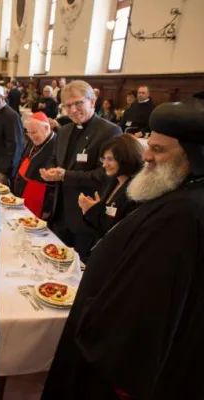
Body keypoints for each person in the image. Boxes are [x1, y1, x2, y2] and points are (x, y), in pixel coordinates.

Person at [43, 97, 204, 400]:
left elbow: (148, 301)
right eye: (149, 147)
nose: (147, 157)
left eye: (158, 149)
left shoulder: (184, 213)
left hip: (117, 360)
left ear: (191, 157)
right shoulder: (176, 192)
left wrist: (94, 321)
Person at [40, 80, 121, 259]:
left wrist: (66, 175)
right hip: (60, 211)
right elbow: (55, 158)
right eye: (68, 105)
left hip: (85, 215)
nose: (73, 109)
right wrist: (50, 170)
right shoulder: (64, 130)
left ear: (92, 102)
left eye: (78, 103)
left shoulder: (110, 131)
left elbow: (106, 174)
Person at [77, 133, 142, 238]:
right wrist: (91, 208)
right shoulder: (113, 180)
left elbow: (116, 229)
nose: (104, 165)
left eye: (110, 159)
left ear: (125, 159)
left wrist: (92, 209)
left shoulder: (135, 191)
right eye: (104, 159)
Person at [14, 112, 57, 219]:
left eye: (34, 133)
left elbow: (54, 184)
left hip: (41, 197)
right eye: (29, 133)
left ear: (46, 128)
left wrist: (48, 208)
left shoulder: (57, 144)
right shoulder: (35, 139)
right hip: (23, 189)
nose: (31, 137)